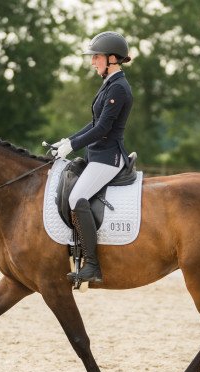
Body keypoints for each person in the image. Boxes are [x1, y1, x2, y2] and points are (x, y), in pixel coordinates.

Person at [52, 31, 133, 284]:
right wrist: (67, 141)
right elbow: (94, 122)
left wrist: (73, 146)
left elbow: (103, 129)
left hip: (108, 158)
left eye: (96, 57)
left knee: (77, 197)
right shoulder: (109, 83)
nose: (92, 62)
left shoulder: (119, 88)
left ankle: (93, 265)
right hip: (97, 154)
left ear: (111, 58)